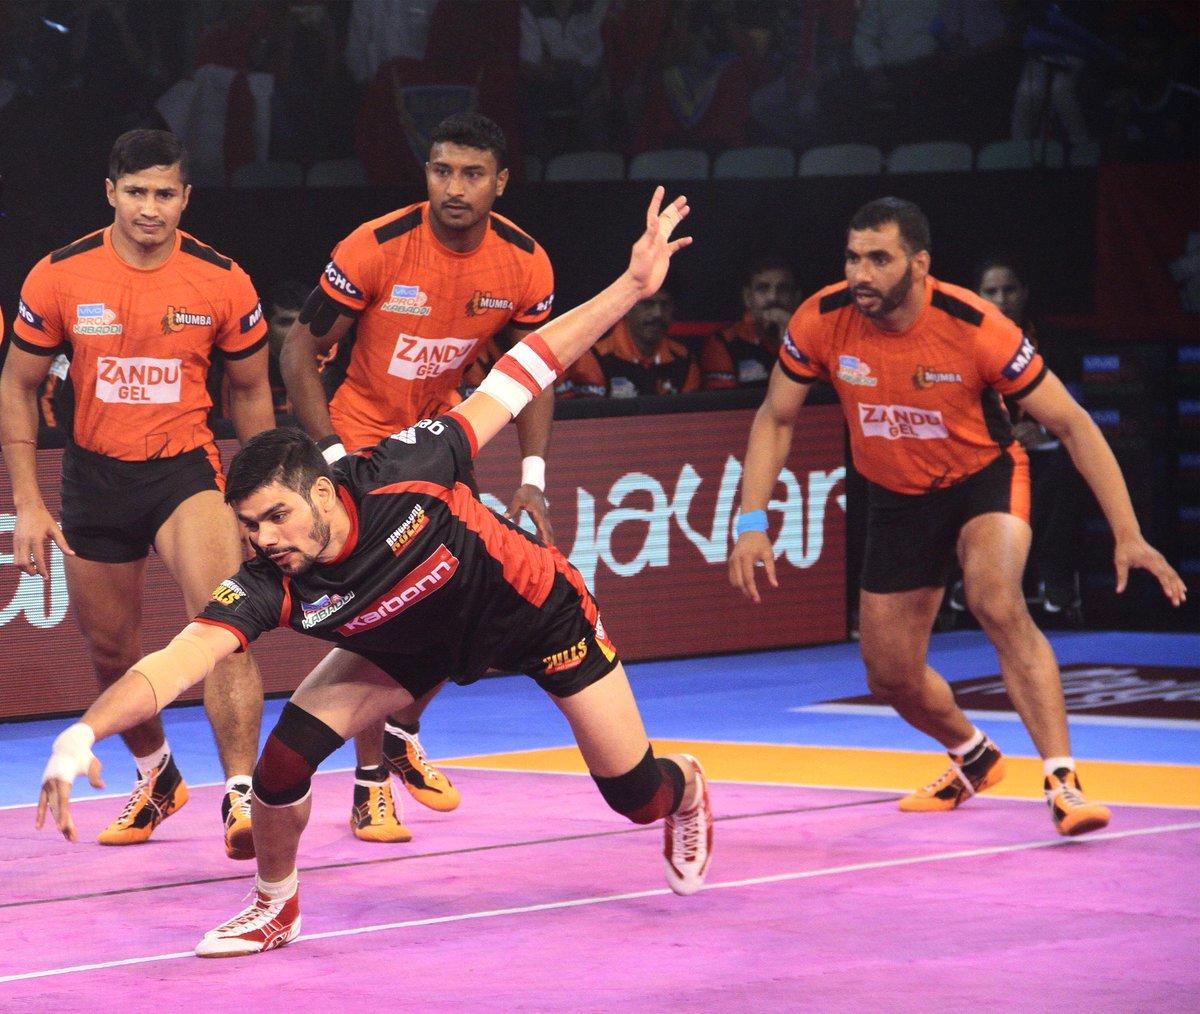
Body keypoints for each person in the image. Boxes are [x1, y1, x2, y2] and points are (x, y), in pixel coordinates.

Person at [37, 187, 713, 959]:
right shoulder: (268, 579)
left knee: (635, 797)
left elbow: (521, 370)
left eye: (277, 517)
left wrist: (629, 287)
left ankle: (687, 788)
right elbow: (176, 661)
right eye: (250, 525)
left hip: (533, 614)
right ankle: (274, 907)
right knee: (280, 766)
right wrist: (84, 731)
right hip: (405, 643)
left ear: (324, 493)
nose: (265, 538)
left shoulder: (406, 468)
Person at [729, 197, 1186, 837]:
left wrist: (1128, 532)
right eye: (852, 258)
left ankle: (1063, 782)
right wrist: (751, 522)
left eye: (878, 259)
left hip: (982, 478)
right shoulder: (822, 319)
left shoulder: (975, 325)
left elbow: (1073, 425)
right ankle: (973, 755)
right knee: (890, 675)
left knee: (994, 599)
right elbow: (776, 419)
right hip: (896, 496)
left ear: (919, 264)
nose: (860, 274)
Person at [279, 113, 557, 842]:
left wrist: (532, 473)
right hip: (362, 444)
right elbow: (297, 350)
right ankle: (371, 784)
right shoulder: (374, 247)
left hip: (441, 444)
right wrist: (333, 456)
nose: (454, 188)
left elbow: (533, 368)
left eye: (472, 174)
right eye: (441, 171)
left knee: (471, 596)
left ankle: (402, 732)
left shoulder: (526, 263)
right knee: (389, 610)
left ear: (501, 182)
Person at [1, 129, 274, 859]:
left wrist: (263, 499)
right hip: (95, 477)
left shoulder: (222, 279)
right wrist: (28, 501)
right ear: (111, 193)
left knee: (223, 627)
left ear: (185, 198)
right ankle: (157, 776)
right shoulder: (59, 275)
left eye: (164, 193)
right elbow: (18, 385)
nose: (150, 208)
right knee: (109, 649)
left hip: (185, 470)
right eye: (136, 192)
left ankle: (241, 795)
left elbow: (251, 391)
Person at [976, 256, 1086, 623]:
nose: (1001, 299)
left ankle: (1054, 576)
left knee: (1069, 468)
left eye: (1009, 290)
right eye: (991, 291)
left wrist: (1044, 431)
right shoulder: (965, 341)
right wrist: (1001, 435)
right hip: (988, 450)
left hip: (1041, 448)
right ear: (977, 296)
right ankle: (978, 580)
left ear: (1024, 293)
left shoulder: (1053, 342)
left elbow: (1073, 405)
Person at [557, 289, 698, 398]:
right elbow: (591, 417)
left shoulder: (683, 358)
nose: (658, 313)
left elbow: (691, 416)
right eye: (647, 304)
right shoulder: (595, 355)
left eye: (665, 305)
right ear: (627, 308)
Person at [699, 259, 799, 391]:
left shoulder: (813, 337)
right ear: (747, 297)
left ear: (796, 297)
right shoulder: (724, 341)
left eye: (783, 289)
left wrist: (791, 340)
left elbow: (817, 394)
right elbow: (723, 400)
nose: (773, 297)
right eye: (762, 288)